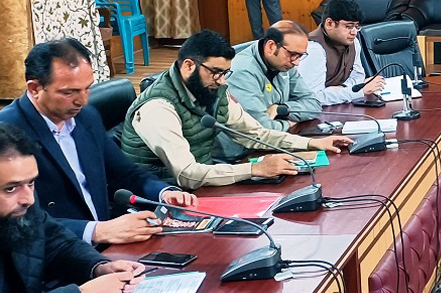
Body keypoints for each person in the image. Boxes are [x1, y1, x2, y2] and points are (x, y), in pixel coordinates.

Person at [0, 39, 195, 246]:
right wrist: (96, 231)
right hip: (52, 252)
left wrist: (164, 193)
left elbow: (124, 173)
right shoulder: (8, 132)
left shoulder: (87, 117)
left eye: (87, 89)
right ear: (34, 88)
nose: (82, 101)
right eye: (69, 92)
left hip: (105, 242)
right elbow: (16, 220)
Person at [120, 30, 352, 190]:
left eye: (225, 73)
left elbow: (255, 134)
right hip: (163, 195)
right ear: (189, 66)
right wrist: (254, 169)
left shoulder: (211, 89)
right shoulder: (158, 108)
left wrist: (312, 143)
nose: (222, 81)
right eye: (216, 72)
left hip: (204, 183)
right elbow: (187, 174)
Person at [0, 123, 145, 293]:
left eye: (31, 183)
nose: (29, 199)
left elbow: (57, 244)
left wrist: (98, 267)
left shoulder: (23, 204)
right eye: (10, 188)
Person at [220, 21, 323, 160]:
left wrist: (282, 109)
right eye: (293, 54)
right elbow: (261, 130)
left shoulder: (285, 65)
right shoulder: (242, 72)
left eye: (300, 56)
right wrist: (288, 123)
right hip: (239, 156)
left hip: (273, 145)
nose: (296, 62)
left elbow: (314, 104)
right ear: (271, 46)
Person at [297, 0, 383, 106]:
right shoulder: (314, 49)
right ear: (329, 24)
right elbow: (314, 97)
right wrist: (358, 91)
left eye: (357, 26)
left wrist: (342, 88)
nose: (354, 32)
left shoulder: (354, 42)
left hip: (339, 106)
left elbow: (358, 77)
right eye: (349, 26)